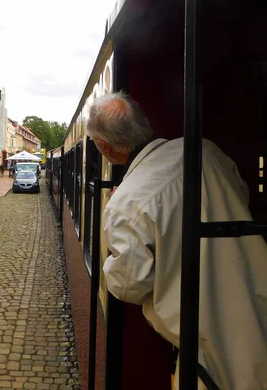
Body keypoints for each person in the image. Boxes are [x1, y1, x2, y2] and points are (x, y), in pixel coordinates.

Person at [86, 92, 267, 390]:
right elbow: (242, 199)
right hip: (258, 296)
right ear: (144, 125)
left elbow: (127, 286)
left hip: (208, 348)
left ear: (105, 147)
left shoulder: (125, 202)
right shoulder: (206, 151)